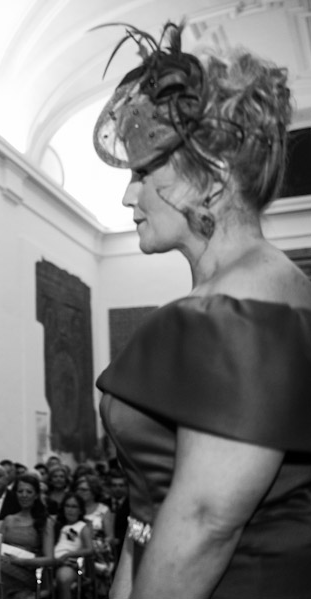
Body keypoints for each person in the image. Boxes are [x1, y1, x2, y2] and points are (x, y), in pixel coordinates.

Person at [93, 22, 311, 599]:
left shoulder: (247, 313)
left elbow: (204, 525)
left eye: (143, 173)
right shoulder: (233, 301)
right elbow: (153, 517)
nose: (127, 196)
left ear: (209, 184)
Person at [0, 474, 55, 599]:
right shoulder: (9, 519)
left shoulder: (44, 521)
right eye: (20, 491)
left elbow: (50, 559)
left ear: (36, 495)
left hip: (30, 570)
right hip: (4, 566)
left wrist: (20, 561)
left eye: (29, 492)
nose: (24, 495)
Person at [52, 493, 95, 599]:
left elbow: (90, 549)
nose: (69, 510)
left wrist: (68, 555)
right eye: (67, 506)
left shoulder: (82, 526)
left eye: (74, 506)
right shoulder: (57, 525)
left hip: (70, 564)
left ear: (80, 510)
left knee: (63, 578)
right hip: (52, 562)